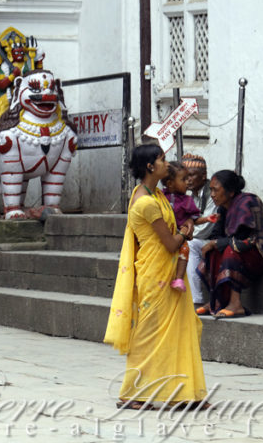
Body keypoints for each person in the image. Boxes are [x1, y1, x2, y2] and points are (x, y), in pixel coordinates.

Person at [104, 143, 206, 410]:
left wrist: (186, 228)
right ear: (150, 166)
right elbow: (171, 244)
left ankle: (184, 392)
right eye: (161, 160)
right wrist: (186, 230)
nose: (166, 164)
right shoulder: (146, 202)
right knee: (147, 336)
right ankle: (131, 393)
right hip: (156, 275)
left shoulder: (153, 193)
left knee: (181, 331)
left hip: (167, 271)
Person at [196, 169, 263, 318]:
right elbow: (217, 235)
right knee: (213, 251)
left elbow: (244, 239)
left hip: (261, 253)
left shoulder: (247, 202)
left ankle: (236, 304)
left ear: (231, 192)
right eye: (211, 190)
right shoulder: (222, 208)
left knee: (230, 250)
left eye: (215, 190)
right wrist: (214, 243)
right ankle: (215, 302)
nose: (212, 194)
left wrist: (216, 243)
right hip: (241, 250)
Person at [182, 153, 216, 307]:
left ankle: (196, 299)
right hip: (200, 237)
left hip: (214, 237)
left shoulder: (212, 194)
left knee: (190, 244)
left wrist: (181, 235)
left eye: (192, 176)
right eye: (185, 176)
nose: (187, 180)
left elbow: (205, 228)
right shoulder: (191, 195)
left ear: (203, 176)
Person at [161, 161, 201, 292]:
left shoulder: (187, 200)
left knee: (185, 249)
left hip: (180, 234)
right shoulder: (160, 196)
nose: (188, 182)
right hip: (163, 235)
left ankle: (179, 278)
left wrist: (192, 220)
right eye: (183, 179)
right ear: (170, 184)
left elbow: (195, 218)